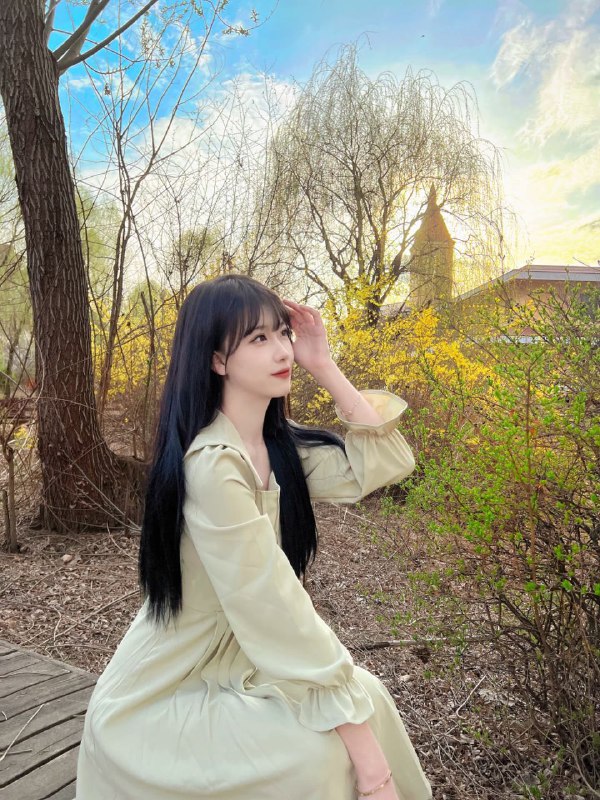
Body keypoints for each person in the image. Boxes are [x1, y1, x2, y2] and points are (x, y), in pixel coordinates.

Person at [76, 274, 432, 800]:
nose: (282, 350)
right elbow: (273, 603)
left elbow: (386, 462)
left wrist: (324, 365)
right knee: (321, 755)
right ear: (217, 360)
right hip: (169, 684)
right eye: (258, 338)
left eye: (283, 333)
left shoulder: (279, 449)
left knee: (372, 697)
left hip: (243, 657)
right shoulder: (212, 465)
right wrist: (370, 764)